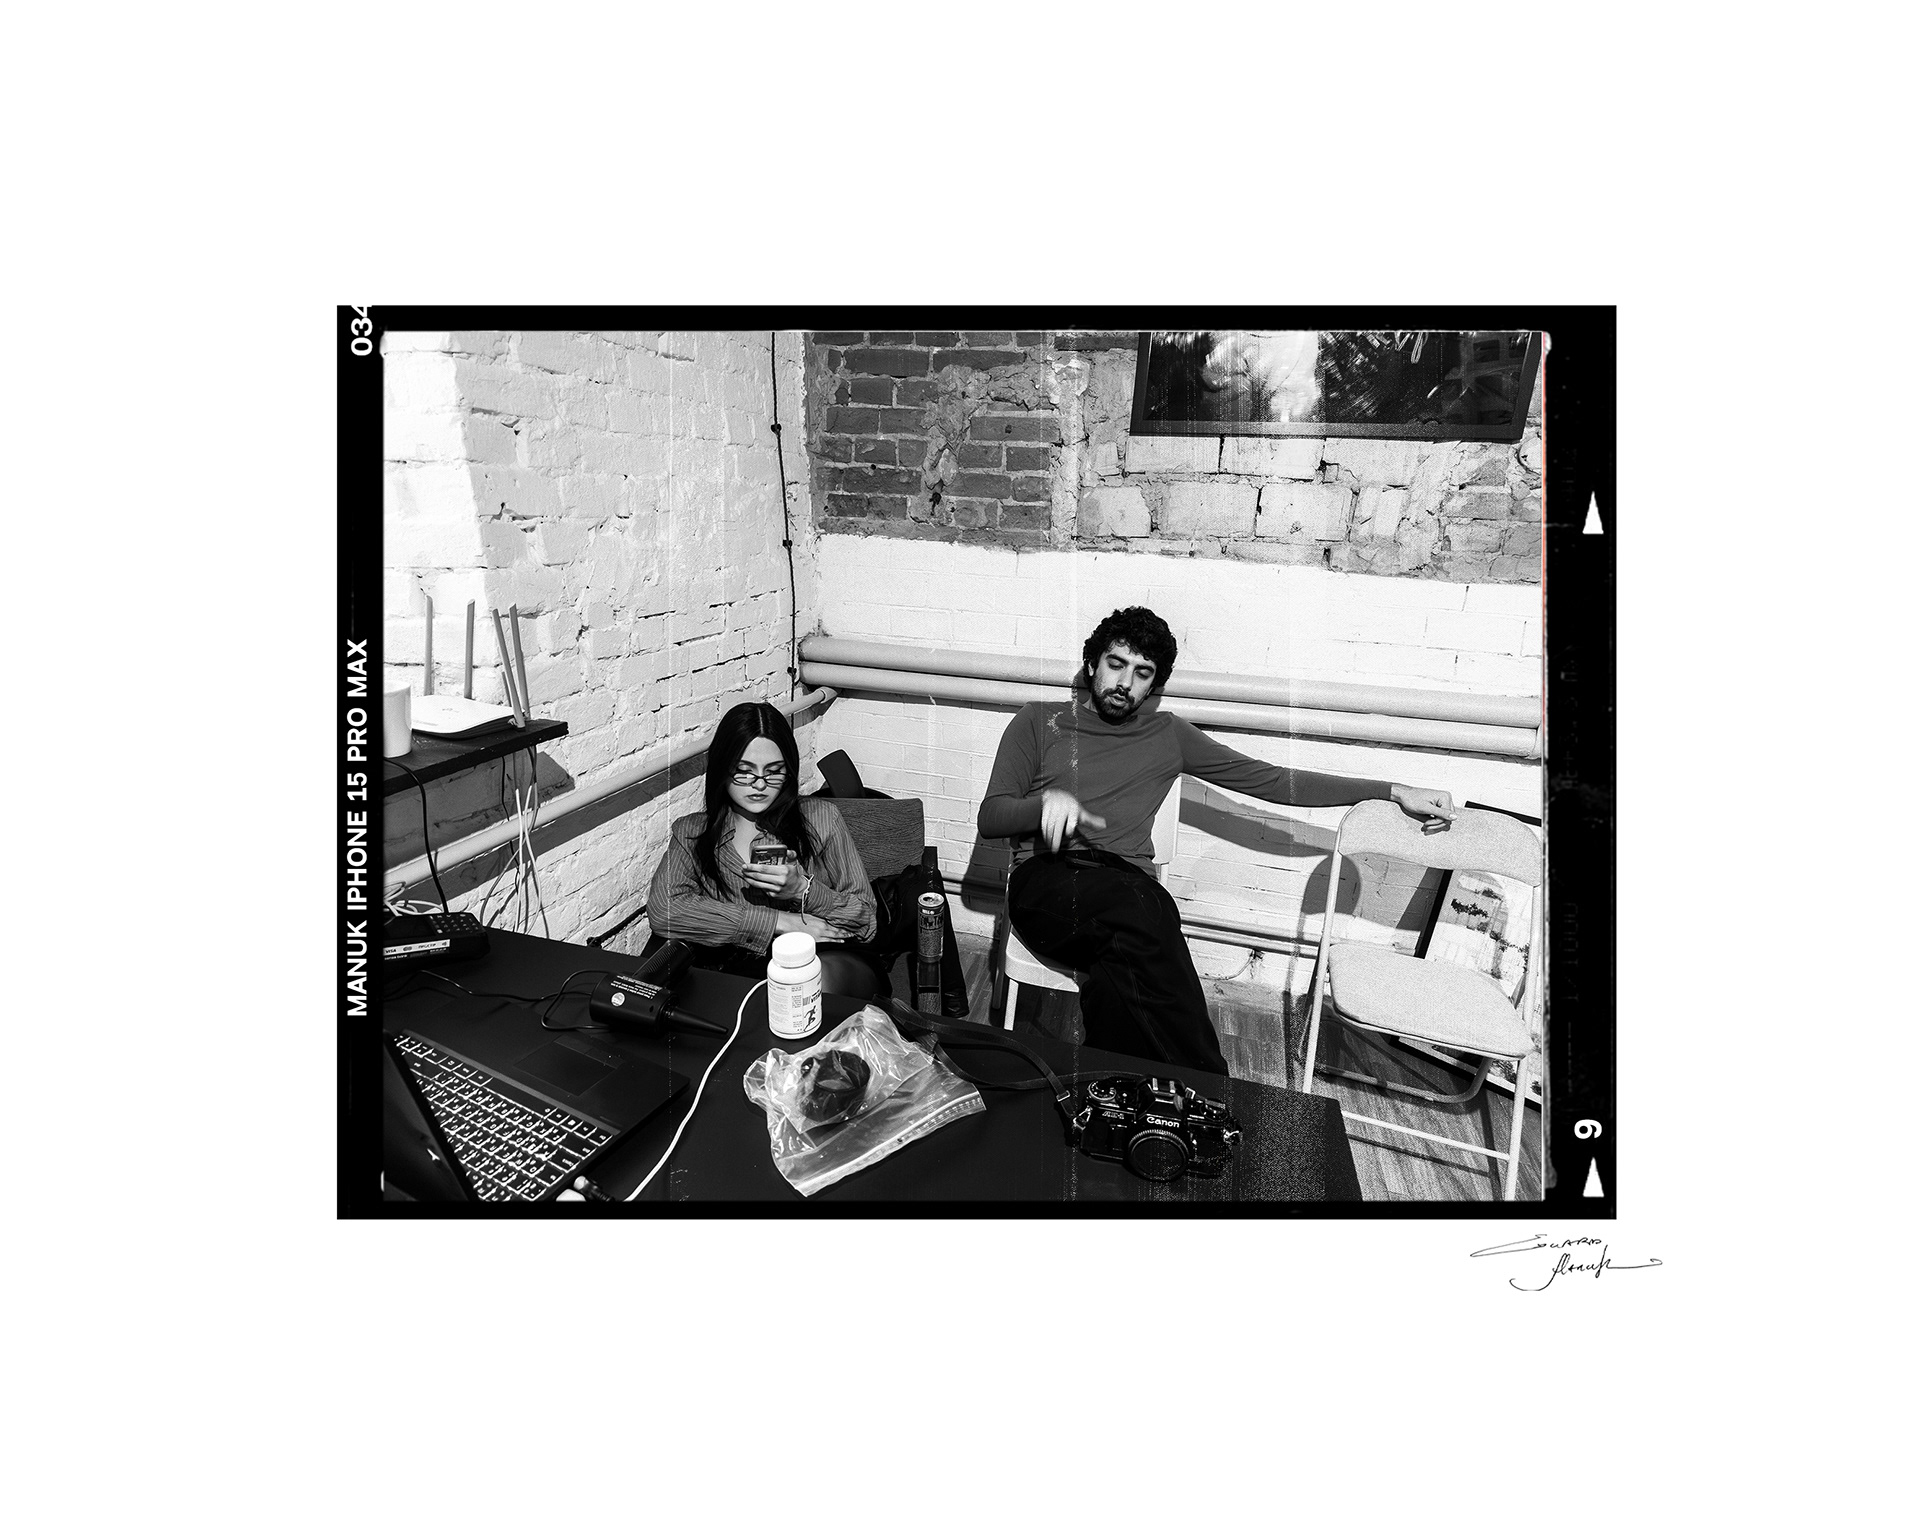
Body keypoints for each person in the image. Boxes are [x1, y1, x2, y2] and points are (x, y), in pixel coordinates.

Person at [979, 606, 1456, 1075]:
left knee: (1119, 968)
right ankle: (1211, 1085)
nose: (1124, 682)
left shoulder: (1168, 734)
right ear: (1092, 664)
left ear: (1155, 685)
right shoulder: (1039, 721)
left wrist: (1392, 790)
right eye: (1115, 664)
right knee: (1147, 910)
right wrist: (1043, 804)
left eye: (1142, 673)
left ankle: (1117, 1092)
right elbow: (991, 816)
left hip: (1127, 893)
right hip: (1048, 882)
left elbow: (1274, 780)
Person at [647, 701, 885, 999]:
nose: (759, 785)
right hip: (740, 972)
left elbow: (866, 919)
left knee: (808, 982)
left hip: (824, 959)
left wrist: (802, 890)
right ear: (722, 769)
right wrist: (776, 922)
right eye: (744, 771)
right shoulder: (693, 832)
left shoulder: (821, 818)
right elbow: (665, 911)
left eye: (773, 772)